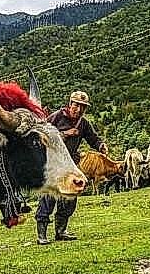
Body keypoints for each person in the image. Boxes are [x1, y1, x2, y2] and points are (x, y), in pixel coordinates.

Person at [35, 90, 106, 245]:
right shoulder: (55, 117)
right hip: (53, 165)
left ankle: (61, 231)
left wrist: (100, 145)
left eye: (83, 107)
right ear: (70, 104)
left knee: (70, 197)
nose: (79, 109)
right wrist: (65, 133)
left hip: (70, 165)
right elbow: (41, 135)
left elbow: (92, 138)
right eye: (76, 105)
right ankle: (42, 234)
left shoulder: (84, 123)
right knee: (49, 196)